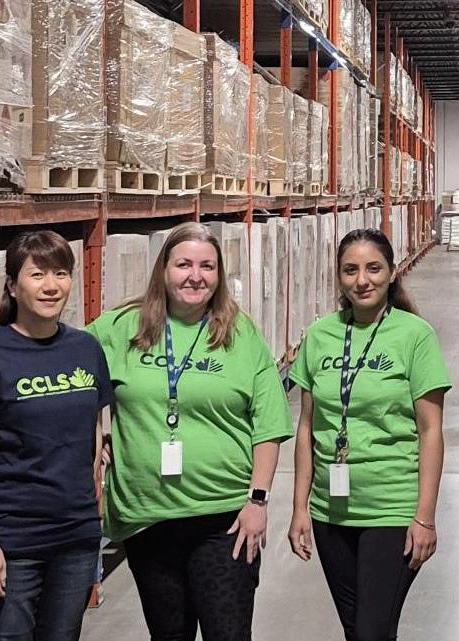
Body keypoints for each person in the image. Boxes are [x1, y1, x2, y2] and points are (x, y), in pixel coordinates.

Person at [86, 222, 292, 641]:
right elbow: (68, 369)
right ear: (163, 270)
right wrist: (94, 432)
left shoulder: (240, 334)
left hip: (224, 520)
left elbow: (269, 424)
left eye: (207, 266)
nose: (195, 276)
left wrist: (257, 501)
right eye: (184, 265)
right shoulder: (120, 328)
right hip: (148, 519)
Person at [286, 229, 450, 641]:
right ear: (339, 277)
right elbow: (306, 426)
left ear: (392, 273)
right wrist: (300, 508)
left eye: (373, 268)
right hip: (330, 511)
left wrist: (425, 517)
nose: (362, 280)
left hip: (391, 508)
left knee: (371, 632)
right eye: (351, 270)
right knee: (357, 630)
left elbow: (431, 431)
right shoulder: (320, 335)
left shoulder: (415, 336)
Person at [0, 232, 110, 641]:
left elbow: (93, 437)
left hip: (75, 536)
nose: (51, 286)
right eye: (37, 274)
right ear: (13, 286)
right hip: (14, 539)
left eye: (61, 273)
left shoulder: (85, 349)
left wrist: (93, 516)